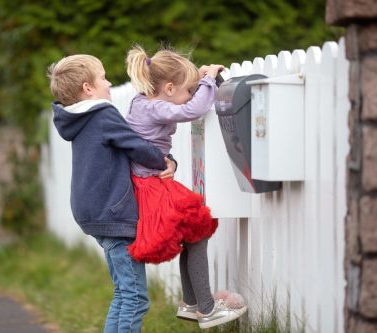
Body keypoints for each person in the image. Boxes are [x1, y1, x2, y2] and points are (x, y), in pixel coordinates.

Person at [47, 54, 177, 333]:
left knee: (123, 294)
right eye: (103, 77)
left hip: (93, 212)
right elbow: (135, 145)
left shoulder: (78, 120)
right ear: (87, 88)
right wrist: (164, 160)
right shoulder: (102, 114)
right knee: (136, 298)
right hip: (113, 213)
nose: (108, 83)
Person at [125, 45, 247, 329]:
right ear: (168, 88)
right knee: (198, 229)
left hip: (151, 179)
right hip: (152, 185)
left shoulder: (140, 102)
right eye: (187, 90)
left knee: (191, 235)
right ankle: (207, 309)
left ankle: (193, 303)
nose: (190, 95)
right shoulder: (155, 107)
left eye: (193, 90)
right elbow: (195, 109)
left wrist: (170, 160)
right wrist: (209, 78)